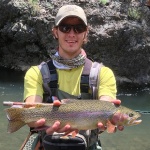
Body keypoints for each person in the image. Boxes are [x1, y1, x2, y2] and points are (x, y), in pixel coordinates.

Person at [23, 4, 123, 150]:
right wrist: (36, 121)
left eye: (78, 28)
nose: (71, 34)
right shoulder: (36, 73)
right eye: (65, 28)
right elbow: (30, 116)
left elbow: (106, 105)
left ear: (85, 33)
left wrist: (111, 120)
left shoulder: (102, 73)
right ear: (55, 32)